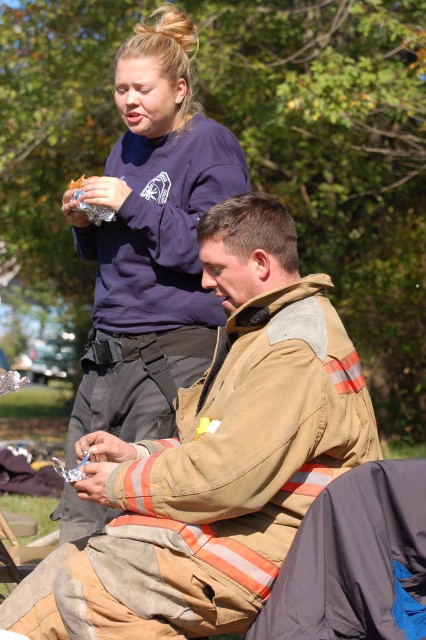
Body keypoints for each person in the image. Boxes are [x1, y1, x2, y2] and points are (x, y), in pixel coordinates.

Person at [0, 192, 383, 639]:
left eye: (216, 269)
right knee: (66, 563)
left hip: (277, 553)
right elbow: (217, 441)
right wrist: (134, 453)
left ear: (261, 263)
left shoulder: (292, 350)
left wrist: (119, 483)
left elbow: (225, 478)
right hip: (240, 528)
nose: (204, 283)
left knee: (87, 589)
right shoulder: (265, 330)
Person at [56, 3, 251, 544]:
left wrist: (130, 203)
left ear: (180, 89)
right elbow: (120, 248)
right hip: (108, 349)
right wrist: (85, 221)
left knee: (139, 502)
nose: (129, 101)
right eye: (121, 90)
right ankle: (60, 611)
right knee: (82, 489)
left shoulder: (210, 143)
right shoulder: (125, 147)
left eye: (142, 89)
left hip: (176, 351)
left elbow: (220, 252)